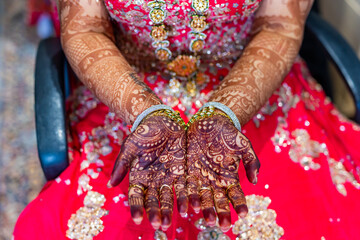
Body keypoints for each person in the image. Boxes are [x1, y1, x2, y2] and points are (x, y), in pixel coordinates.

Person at [13, 0, 360, 239]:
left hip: (250, 87)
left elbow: (281, 26)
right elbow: (84, 29)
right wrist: (145, 112)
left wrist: (226, 111)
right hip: (125, 93)